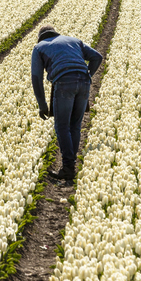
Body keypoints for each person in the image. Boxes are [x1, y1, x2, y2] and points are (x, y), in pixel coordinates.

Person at [31, 24, 103, 183]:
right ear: (55, 33)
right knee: (75, 126)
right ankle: (71, 165)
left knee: (62, 126)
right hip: (84, 82)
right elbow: (97, 56)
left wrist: (42, 105)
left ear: (40, 37)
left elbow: (36, 77)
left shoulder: (39, 47)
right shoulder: (73, 40)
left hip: (64, 83)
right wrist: (88, 75)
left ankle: (68, 168)